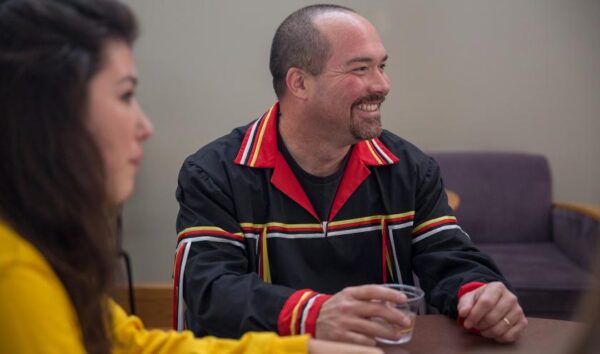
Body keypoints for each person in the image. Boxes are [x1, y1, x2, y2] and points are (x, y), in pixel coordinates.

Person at [0, 1, 382, 354]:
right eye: (124, 96)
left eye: (381, 66)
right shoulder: (14, 275)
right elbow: (211, 292)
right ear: (50, 116)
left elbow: (131, 344)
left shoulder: (42, 247)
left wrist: (305, 349)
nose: (144, 126)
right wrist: (311, 321)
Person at [175, 3, 528, 346]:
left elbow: (451, 260)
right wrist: (316, 315)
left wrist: (480, 293)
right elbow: (210, 292)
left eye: (382, 66)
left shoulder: (410, 169)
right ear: (299, 83)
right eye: (360, 69)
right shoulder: (213, 174)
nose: (383, 84)